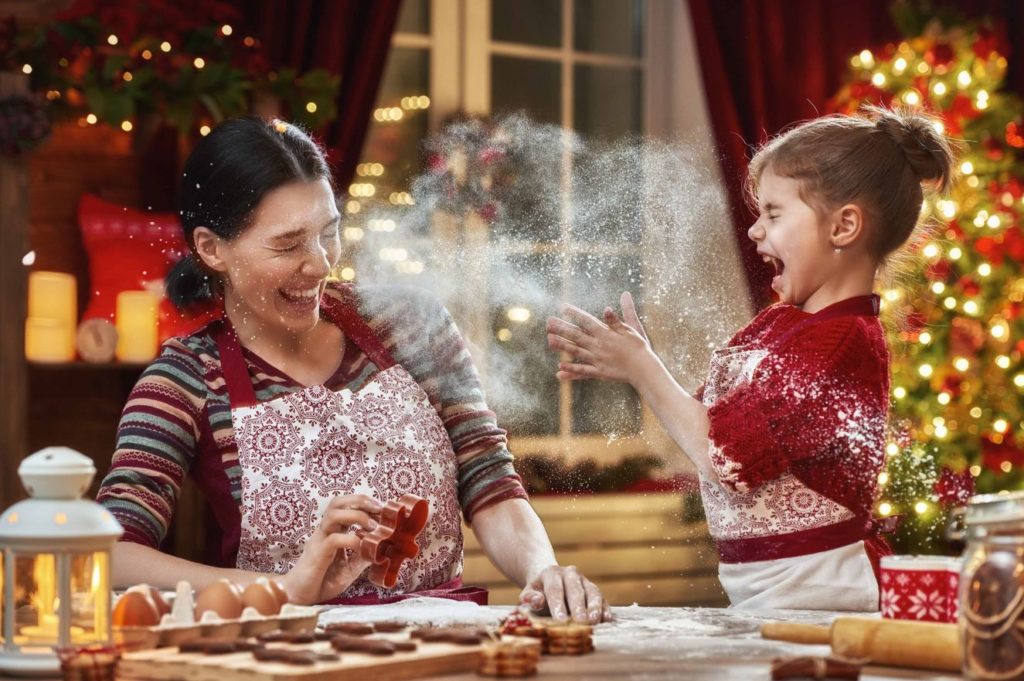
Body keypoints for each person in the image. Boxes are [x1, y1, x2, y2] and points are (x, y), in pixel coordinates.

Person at [97, 116, 610, 623]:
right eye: (289, 244)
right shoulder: (185, 378)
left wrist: (542, 570)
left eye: (328, 234)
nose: (320, 264)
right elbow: (112, 554)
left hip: (444, 642)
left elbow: (488, 479)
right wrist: (284, 589)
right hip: (286, 654)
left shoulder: (408, 324)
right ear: (213, 249)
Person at [545, 106, 956, 610]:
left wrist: (642, 368)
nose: (755, 231)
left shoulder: (842, 342)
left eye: (775, 213)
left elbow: (724, 457)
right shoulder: (779, 324)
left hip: (823, 603)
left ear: (844, 226)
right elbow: (705, 424)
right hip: (765, 599)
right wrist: (635, 361)